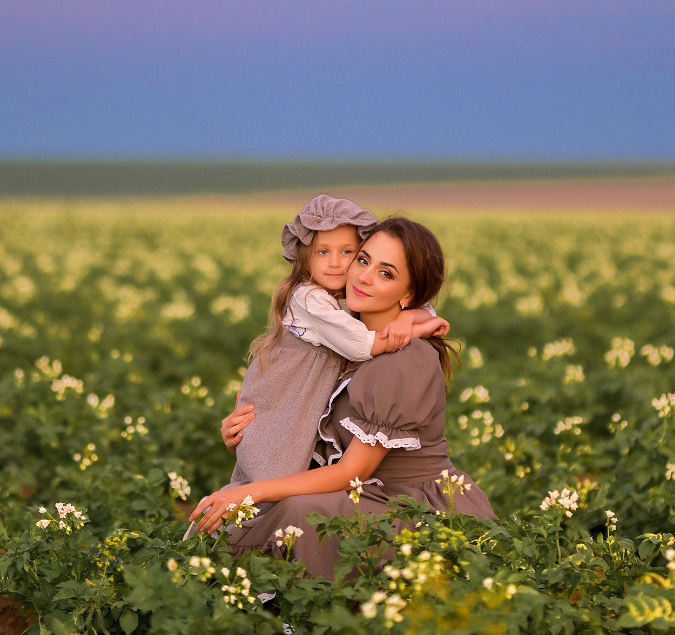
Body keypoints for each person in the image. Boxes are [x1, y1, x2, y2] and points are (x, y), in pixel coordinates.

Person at [191, 216, 494, 579]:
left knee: (296, 513)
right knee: (239, 517)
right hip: (359, 494)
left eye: (386, 273)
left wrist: (250, 492)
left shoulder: (404, 361)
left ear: (409, 294)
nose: (363, 276)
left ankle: (306, 626)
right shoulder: (343, 334)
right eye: (363, 260)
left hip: (409, 506)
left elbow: (353, 471)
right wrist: (245, 437)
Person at [223, 194, 447, 486]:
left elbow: (420, 304)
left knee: (270, 496)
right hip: (285, 393)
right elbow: (360, 345)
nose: (342, 267)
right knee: (266, 479)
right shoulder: (312, 298)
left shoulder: (382, 341)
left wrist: (408, 320)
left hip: (380, 490)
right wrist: (411, 327)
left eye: (349, 254)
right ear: (306, 259)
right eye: (363, 260)